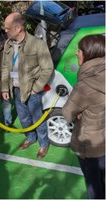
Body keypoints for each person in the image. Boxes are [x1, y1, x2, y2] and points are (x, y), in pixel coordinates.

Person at [1, 13, 53, 159]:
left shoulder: (37, 44)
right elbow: (5, 67)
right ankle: (30, 138)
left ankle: (43, 144)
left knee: (37, 119)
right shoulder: (8, 44)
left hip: (32, 91)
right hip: (16, 90)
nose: (5, 30)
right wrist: (5, 88)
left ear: (18, 28)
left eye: (7, 28)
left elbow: (48, 69)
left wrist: (36, 89)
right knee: (24, 118)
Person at [62, 34, 105, 199]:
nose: (76, 53)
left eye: (79, 50)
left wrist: (78, 112)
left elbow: (67, 113)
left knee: (93, 184)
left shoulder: (86, 84)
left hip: (91, 147)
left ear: (89, 53)